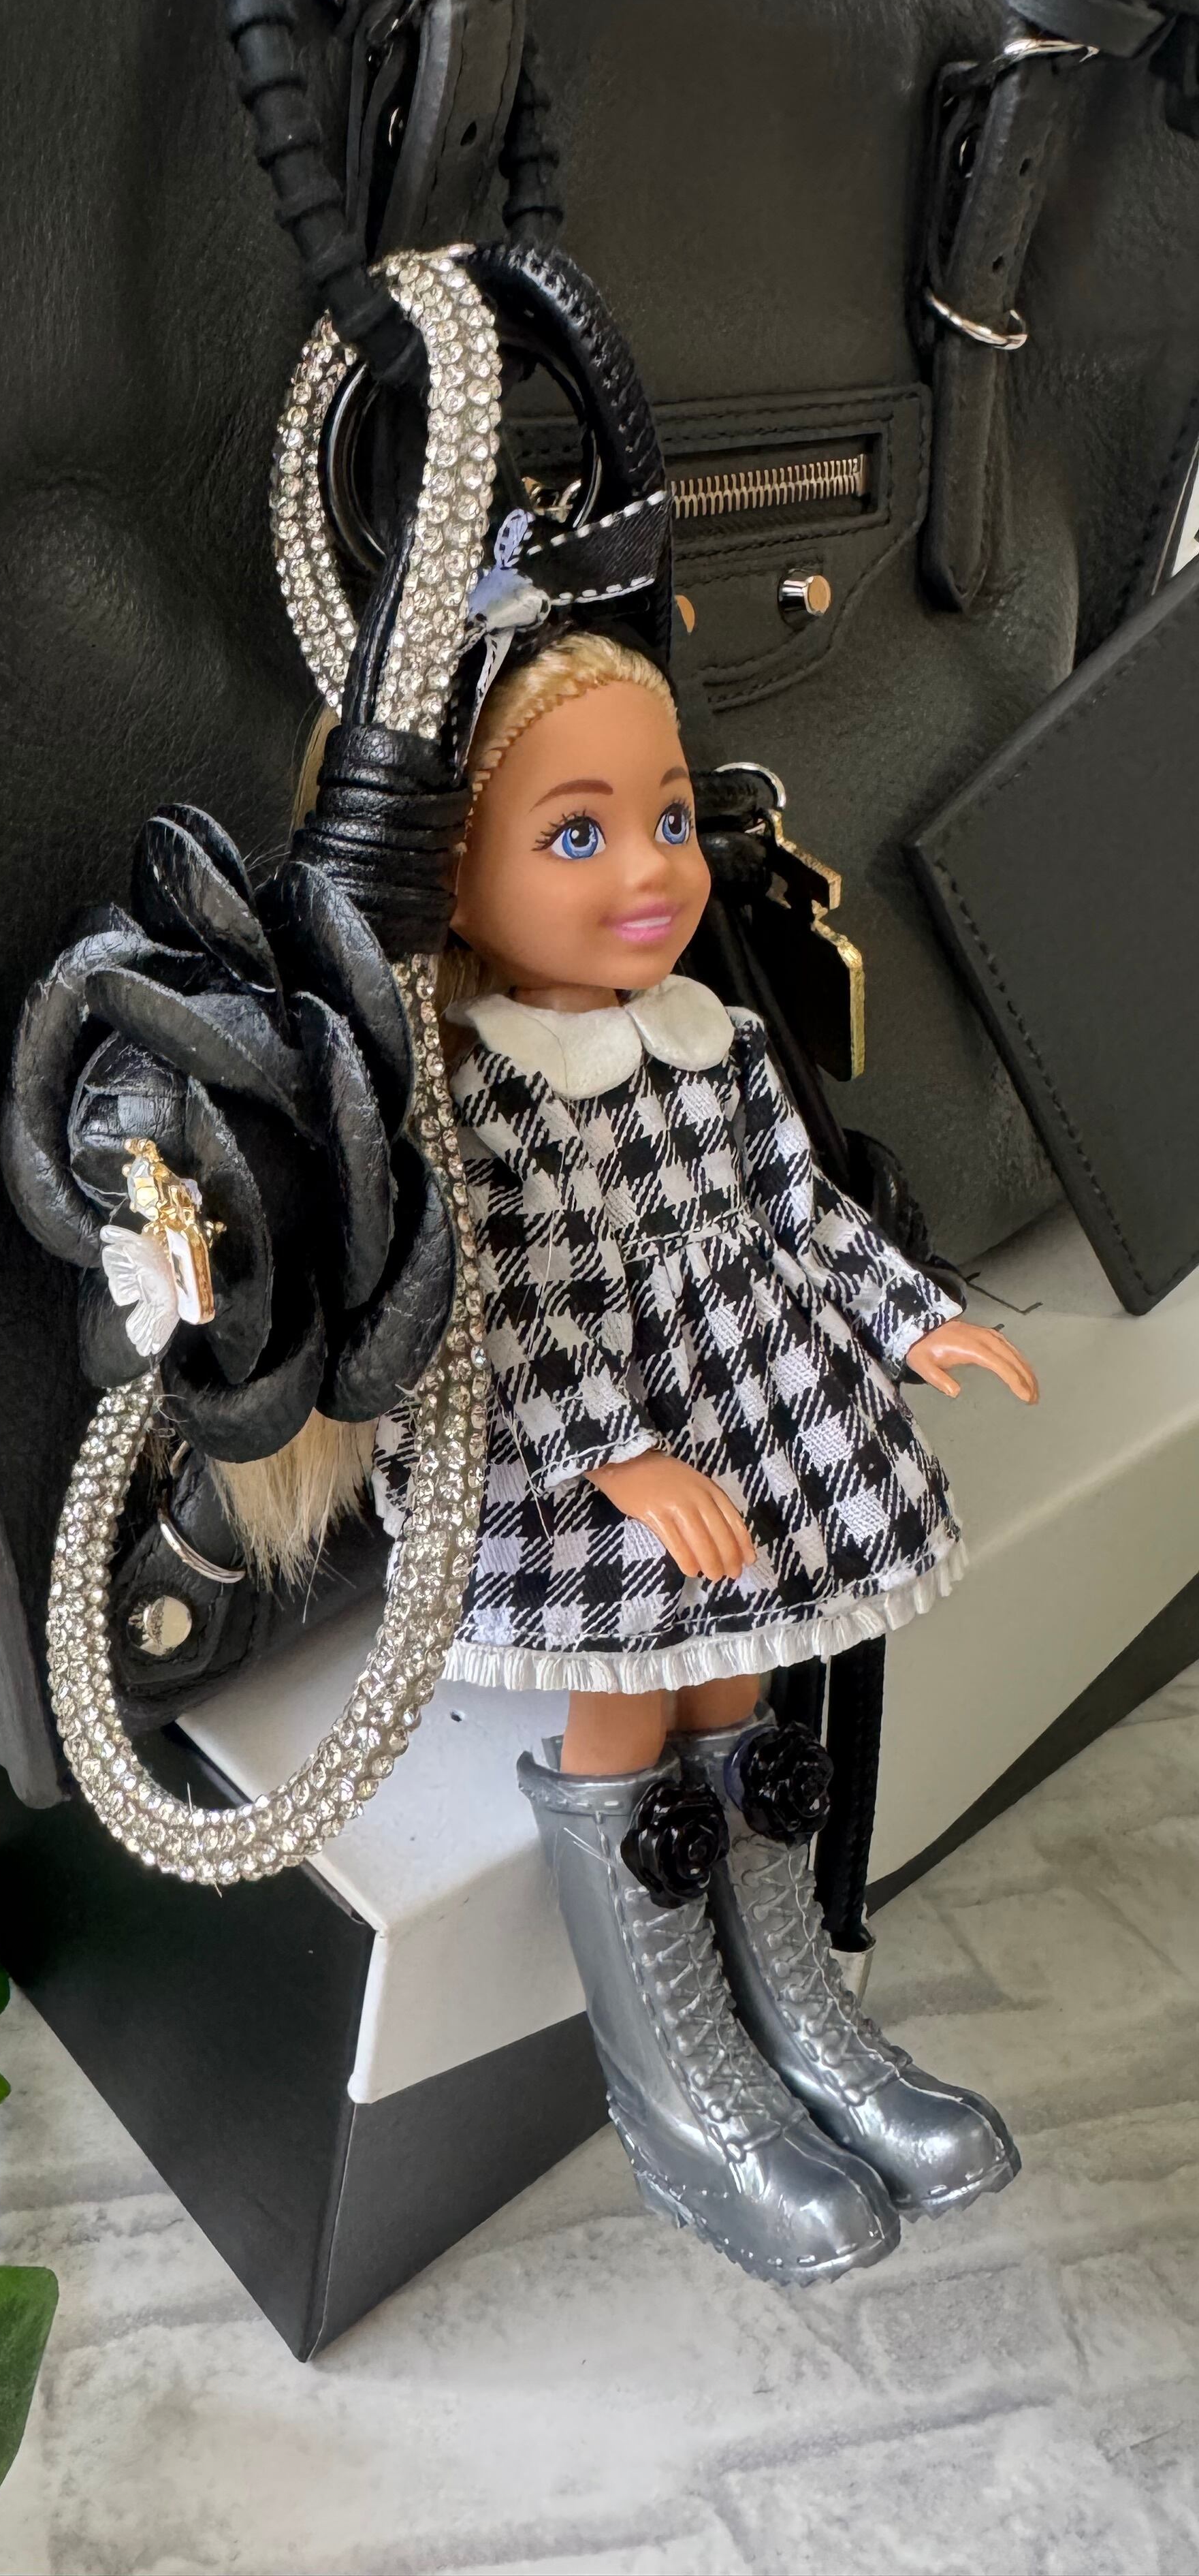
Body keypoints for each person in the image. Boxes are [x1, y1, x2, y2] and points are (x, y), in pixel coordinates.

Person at [374, 623, 1036, 2285]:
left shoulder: (713, 1044)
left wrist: (911, 1321)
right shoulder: (484, 1094)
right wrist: (623, 1457)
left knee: (744, 1695)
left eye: (669, 817)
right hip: (588, 1460)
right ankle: (683, 2091)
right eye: (575, 834)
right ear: (454, 883)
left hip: (748, 1420)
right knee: (634, 1705)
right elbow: (509, 1307)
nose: (651, 870)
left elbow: (804, 1218)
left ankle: (803, 2021)